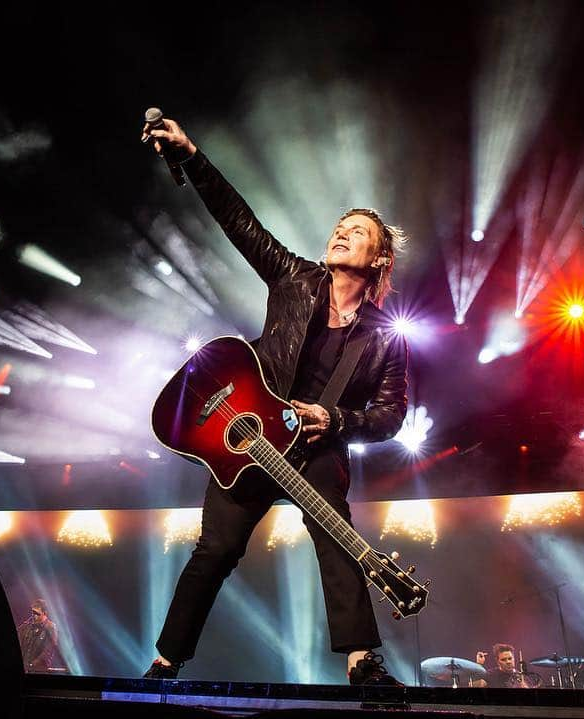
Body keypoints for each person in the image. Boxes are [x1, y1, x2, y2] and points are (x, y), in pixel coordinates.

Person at [140, 115, 409, 686]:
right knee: (215, 551)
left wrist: (333, 418)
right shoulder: (293, 277)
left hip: (315, 445)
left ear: (379, 259)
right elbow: (239, 220)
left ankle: (363, 662)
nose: (342, 231)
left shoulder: (384, 338)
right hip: (248, 439)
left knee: (336, 532)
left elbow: (390, 417)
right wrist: (191, 155)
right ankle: (166, 662)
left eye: (358, 230)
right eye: (341, 224)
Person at [17, 599, 64, 673]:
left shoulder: (51, 627)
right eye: (32, 612)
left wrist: (32, 665)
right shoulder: (27, 626)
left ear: (44, 613)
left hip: (38, 670)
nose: (33, 616)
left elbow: (49, 650)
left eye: (37, 613)